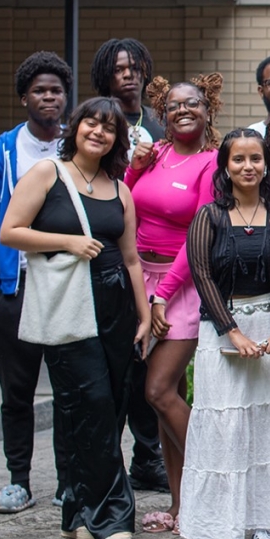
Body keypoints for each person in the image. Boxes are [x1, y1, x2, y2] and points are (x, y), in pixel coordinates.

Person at [0, 96, 151, 539]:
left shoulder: (119, 188)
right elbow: (10, 231)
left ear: (117, 139)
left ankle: (78, 513)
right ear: (77, 127)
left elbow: (131, 258)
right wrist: (69, 241)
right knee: (93, 405)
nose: (99, 132)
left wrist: (144, 314)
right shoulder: (48, 173)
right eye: (92, 123)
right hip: (71, 305)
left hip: (116, 307)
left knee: (101, 410)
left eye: (109, 127)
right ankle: (114, 517)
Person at [180, 128, 270, 539]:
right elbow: (201, 276)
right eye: (238, 159)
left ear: (266, 165)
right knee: (226, 428)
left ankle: (267, 524)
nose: (247, 167)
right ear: (225, 165)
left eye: (255, 159)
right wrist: (232, 331)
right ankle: (223, 525)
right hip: (222, 333)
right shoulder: (209, 217)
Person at [125, 73, 224, 536]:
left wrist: (162, 296)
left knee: (158, 391)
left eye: (194, 104)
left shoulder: (211, 164)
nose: (184, 110)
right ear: (162, 114)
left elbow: (199, 236)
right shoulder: (154, 155)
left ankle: (219, 482)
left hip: (180, 285)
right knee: (171, 402)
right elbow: (125, 204)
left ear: (209, 111)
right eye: (175, 105)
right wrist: (133, 167)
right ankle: (182, 506)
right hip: (139, 277)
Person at [0, 51, 72, 513]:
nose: (49, 97)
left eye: (56, 90)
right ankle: (18, 481)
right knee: (16, 392)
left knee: (68, 389)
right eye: (39, 90)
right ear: (24, 99)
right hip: (14, 290)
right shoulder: (2, 152)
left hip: (64, 288)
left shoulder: (77, 147)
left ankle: (67, 483)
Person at [90, 38, 168, 490]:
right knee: (113, 369)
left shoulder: (158, 125)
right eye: (119, 68)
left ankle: (148, 456)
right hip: (107, 262)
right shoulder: (98, 123)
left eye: (135, 67)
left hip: (153, 263)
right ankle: (104, 462)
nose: (128, 74)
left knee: (146, 367)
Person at [90, 38, 162, 149]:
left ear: (145, 73)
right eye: (118, 70)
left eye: (135, 68)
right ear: (105, 76)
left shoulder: (162, 120)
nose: (128, 74)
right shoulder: (96, 122)